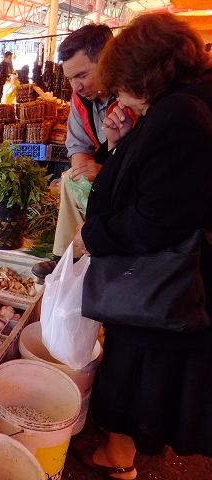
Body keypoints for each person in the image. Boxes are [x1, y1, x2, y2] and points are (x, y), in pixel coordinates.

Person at [73, 13, 212, 479]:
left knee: (140, 367)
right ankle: (124, 449)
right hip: (163, 278)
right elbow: (157, 181)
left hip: (157, 280)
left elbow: (161, 218)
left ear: (144, 74)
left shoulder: (182, 115)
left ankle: (119, 457)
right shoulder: (182, 104)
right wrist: (121, 141)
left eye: (121, 85)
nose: (117, 95)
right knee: (141, 366)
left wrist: (95, 235)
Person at [32, 24, 114, 280]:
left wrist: (104, 174)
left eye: (82, 75)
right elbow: (78, 146)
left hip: (129, 182)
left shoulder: (132, 97)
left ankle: (94, 259)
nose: (76, 86)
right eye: (70, 78)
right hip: (103, 174)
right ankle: (67, 257)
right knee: (70, 178)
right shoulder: (81, 101)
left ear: (108, 61)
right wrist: (83, 172)